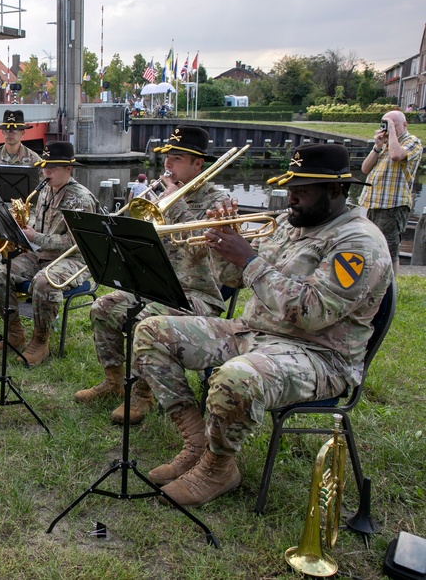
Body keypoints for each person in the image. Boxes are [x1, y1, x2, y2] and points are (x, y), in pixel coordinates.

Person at [132, 143, 392, 507]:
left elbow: (312, 312)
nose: (291, 199)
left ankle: (217, 468)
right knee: (151, 331)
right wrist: (222, 244)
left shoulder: (359, 242)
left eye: (301, 191)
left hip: (318, 355)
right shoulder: (288, 224)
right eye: (289, 188)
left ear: (335, 191)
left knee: (236, 377)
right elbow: (237, 279)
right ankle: (197, 441)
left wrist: (250, 258)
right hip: (254, 333)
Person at [75, 127, 229, 424]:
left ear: (199, 164)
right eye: (166, 158)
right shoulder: (160, 195)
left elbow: (203, 249)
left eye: (177, 159)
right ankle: (114, 381)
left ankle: (141, 394)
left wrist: (177, 203)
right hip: (155, 285)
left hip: (196, 295)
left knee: (146, 317)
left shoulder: (218, 201)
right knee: (102, 308)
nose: (168, 166)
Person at [0, 141, 97, 366]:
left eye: (53, 168)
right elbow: (40, 222)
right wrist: (19, 228)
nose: (46, 171)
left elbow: (76, 243)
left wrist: (36, 237)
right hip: (42, 254)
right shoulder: (46, 189)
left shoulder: (82, 199)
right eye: (45, 166)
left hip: (73, 260)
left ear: (69, 169)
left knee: (43, 282)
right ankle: (14, 333)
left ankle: (40, 341)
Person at [358, 110, 422, 275]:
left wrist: (392, 132)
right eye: (386, 124)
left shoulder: (412, 142)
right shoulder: (384, 144)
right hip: (373, 202)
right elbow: (365, 168)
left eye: (393, 125)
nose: (388, 129)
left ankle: (391, 289)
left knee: (389, 249)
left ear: (405, 124)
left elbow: (396, 155)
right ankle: (375, 282)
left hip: (393, 204)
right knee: (371, 246)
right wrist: (377, 146)